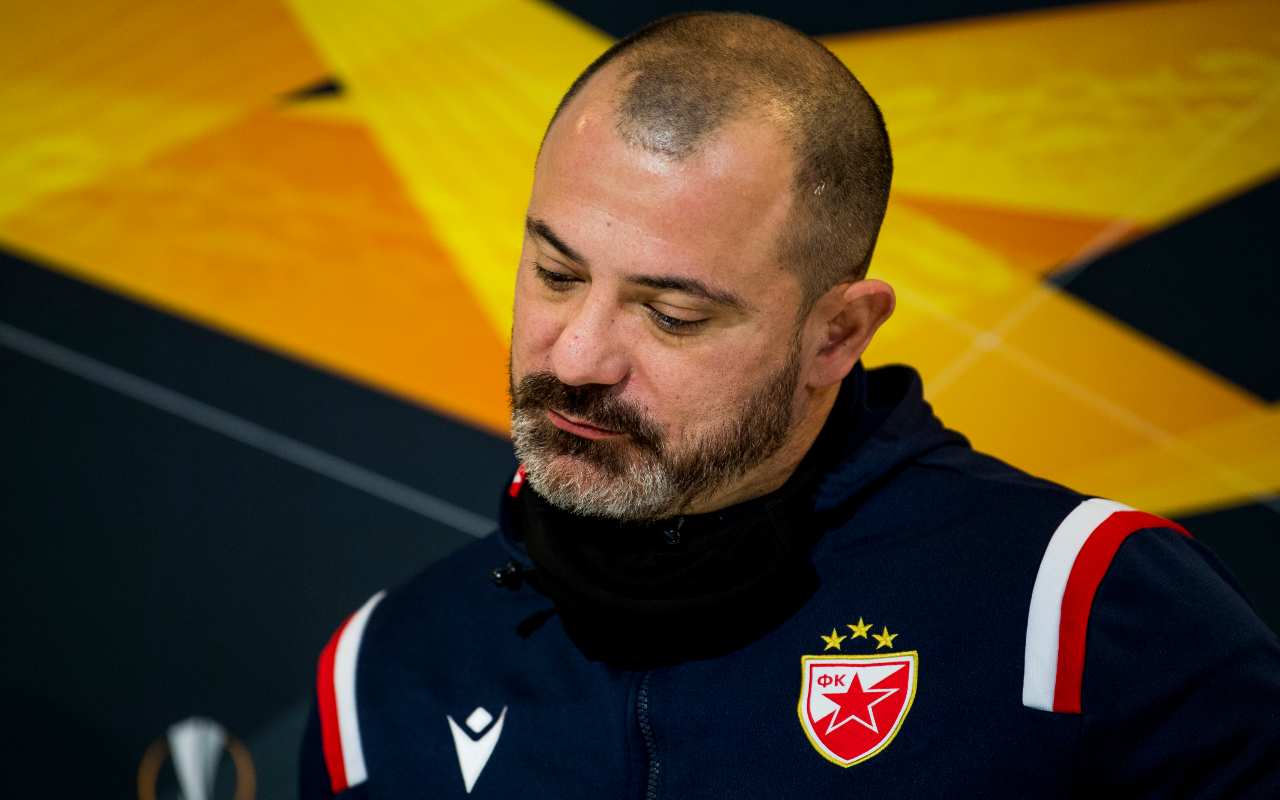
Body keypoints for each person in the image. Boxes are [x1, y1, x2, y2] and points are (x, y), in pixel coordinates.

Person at [299, 12, 1280, 798]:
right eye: (556, 273)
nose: (579, 355)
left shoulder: (1079, 611)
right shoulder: (379, 675)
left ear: (836, 334)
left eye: (672, 314)